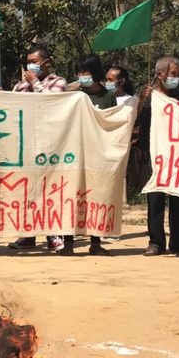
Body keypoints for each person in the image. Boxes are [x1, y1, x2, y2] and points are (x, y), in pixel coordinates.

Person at [138, 56, 179, 256]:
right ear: (160, 74)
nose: (177, 78)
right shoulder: (147, 96)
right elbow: (135, 120)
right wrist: (141, 101)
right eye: (174, 74)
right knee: (156, 198)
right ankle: (156, 242)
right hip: (155, 155)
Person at [8, 45, 67, 252]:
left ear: (47, 63)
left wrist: (35, 84)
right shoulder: (20, 86)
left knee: (50, 188)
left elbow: (53, 105)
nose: (30, 66)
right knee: (27, 189)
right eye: (28, 61)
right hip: (25, 144)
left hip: (50, 144)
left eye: (35, 61)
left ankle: (54, 234)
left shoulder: (58, 82)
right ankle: (28, 234)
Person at [59, 54, 116, 256]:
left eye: (86, 72)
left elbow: (111, 122)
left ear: (95, 73)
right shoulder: (74, 95)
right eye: (79, 72)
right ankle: (67, 243)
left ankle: (95, 242)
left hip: (97, 155)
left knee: (96, 198)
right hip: (72, 155)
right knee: (70, 197)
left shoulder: (108, 97)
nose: (82, 76)